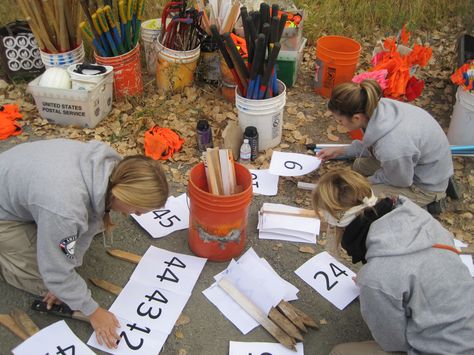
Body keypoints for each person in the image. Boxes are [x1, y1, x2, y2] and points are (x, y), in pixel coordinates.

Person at [0, 139, 169, 349]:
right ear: (120, 194)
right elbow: (56, 272)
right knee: (46, 280)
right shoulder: (66, 210)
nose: (139, 214)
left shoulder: (110, 169)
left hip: (25, 189)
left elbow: (91, 221)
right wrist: (93, 311)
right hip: (6, 215)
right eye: (136, 210)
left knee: (66, 263)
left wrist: (69, 266)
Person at [311, 168, 474, 355]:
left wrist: (376, 285)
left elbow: (395, 343)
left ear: (336, 222)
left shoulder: (376, 278)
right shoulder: (421, 218)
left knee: (340, 352)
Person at [317, 80, 453, 210]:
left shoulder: (392, 146)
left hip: (425, 185)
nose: (339, 124)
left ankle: (428, 203)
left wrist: (366, 182)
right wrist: (340, 151)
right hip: (411, 162)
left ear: (357, 118)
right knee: (359, 165)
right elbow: (371, 144)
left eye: (340, 121)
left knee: (358, 198)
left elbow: (401, 181)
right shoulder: (375, 107)